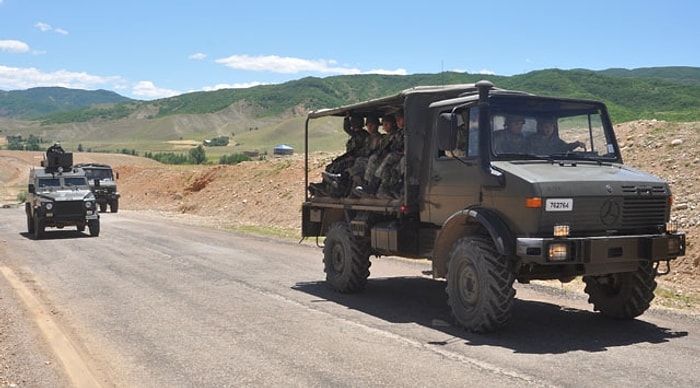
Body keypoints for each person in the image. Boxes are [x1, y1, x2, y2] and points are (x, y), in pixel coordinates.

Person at [309, 114, 368, 197]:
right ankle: (327, 186)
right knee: (331, 166)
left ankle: (337, 186)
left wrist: (346, 119)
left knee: (340, 166)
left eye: (354, 123)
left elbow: (362, 150)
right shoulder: (357, 134)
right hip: (352, 157)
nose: (353, 125)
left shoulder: (362, 135)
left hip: (357, 159)